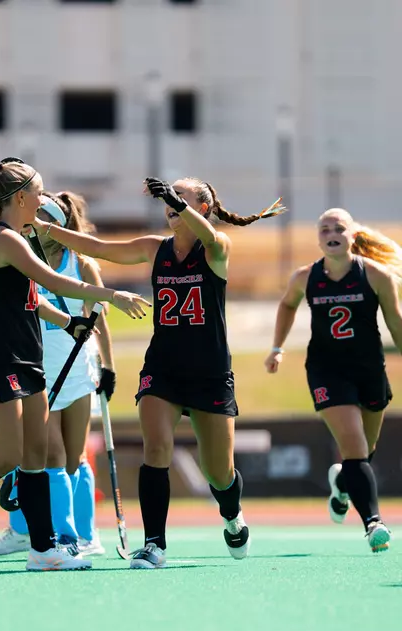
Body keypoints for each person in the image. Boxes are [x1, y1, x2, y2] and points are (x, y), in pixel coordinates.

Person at [30, 175, 285, 568]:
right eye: (169, 196)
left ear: (202, 208)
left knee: (219, 472)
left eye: (181, 197)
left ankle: (232, 515)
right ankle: (154, 544)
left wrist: (177, 201)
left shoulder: (216, 246)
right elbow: (99, 248)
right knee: (156, 449)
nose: (171, 203)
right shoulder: (156, 248)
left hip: (209, 372)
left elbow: (211, 236)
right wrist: (42, 226)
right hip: (163, 368)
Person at [0, 158, 150, 571]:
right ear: (21, 197)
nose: (43, 201)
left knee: (35, 455)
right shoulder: (3, 239)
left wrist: (68, 321)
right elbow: (52, 281)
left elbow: (32, 298)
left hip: (28, 356)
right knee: (9, 455)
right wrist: (111, 295)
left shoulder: (19, 237)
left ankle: (43, 549)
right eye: (39, 193)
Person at [0, 192, 115, 558]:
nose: (35, 223)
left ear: (58, 225)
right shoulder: (21, 257)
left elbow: (99, 319)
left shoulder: (81, 263)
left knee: (74, 458)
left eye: (45, 218)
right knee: (48, 454)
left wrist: (108, 366)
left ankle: (86, 535)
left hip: (76, 370)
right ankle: (53, 533)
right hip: (37, 369)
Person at [265, 208, 402, 553]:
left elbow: (396, 323)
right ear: (318, 239)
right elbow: (287, 305)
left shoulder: (376, 276)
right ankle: (374, 524)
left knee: (364, 451)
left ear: (353, 235)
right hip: (327, 371)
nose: (331, 234)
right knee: (354, 447)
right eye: (324, 229)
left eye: (338, 228)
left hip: (369, 370)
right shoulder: (305, 277)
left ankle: (341, 482)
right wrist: (277, 348)